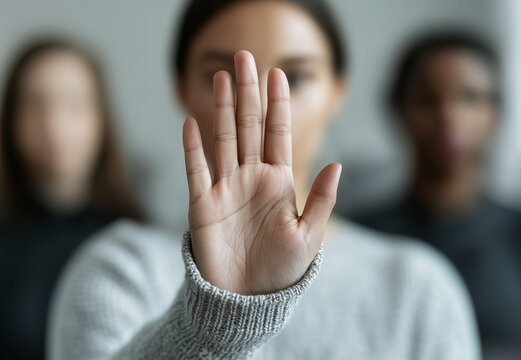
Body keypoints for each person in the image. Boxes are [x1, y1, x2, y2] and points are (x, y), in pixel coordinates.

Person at [48, 2, 480, 359]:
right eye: (222, 76)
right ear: (180, 87)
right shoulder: (120, 270)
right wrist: (216, 319)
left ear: (338, 91)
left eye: (296, 77)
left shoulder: (416, 289)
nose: (259, 104)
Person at [355, 31, 521, 352]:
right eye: (427, 100)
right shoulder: (363, 238)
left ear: (496, 112)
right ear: (398, 110)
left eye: (470, 98)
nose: (448, 116)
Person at [0, 39, 145, 360]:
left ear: (101, 120)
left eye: (74, 104)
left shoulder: (139, 243)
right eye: (34, 104)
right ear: (11, 120)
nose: (53, 125)